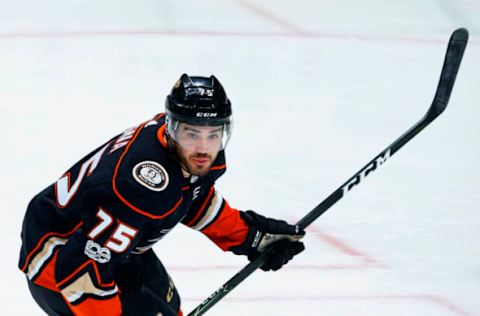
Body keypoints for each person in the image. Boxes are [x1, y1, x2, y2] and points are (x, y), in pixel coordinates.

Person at [18, 74, 306, 316]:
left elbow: (189, 197)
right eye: (192, 134)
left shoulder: (191, 155)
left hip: (119, 250)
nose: (203, 148)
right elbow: (79, 272)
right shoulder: (140, 186)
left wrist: (247, 235)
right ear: (171, 128)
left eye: (213, 134)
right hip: (57, 264)